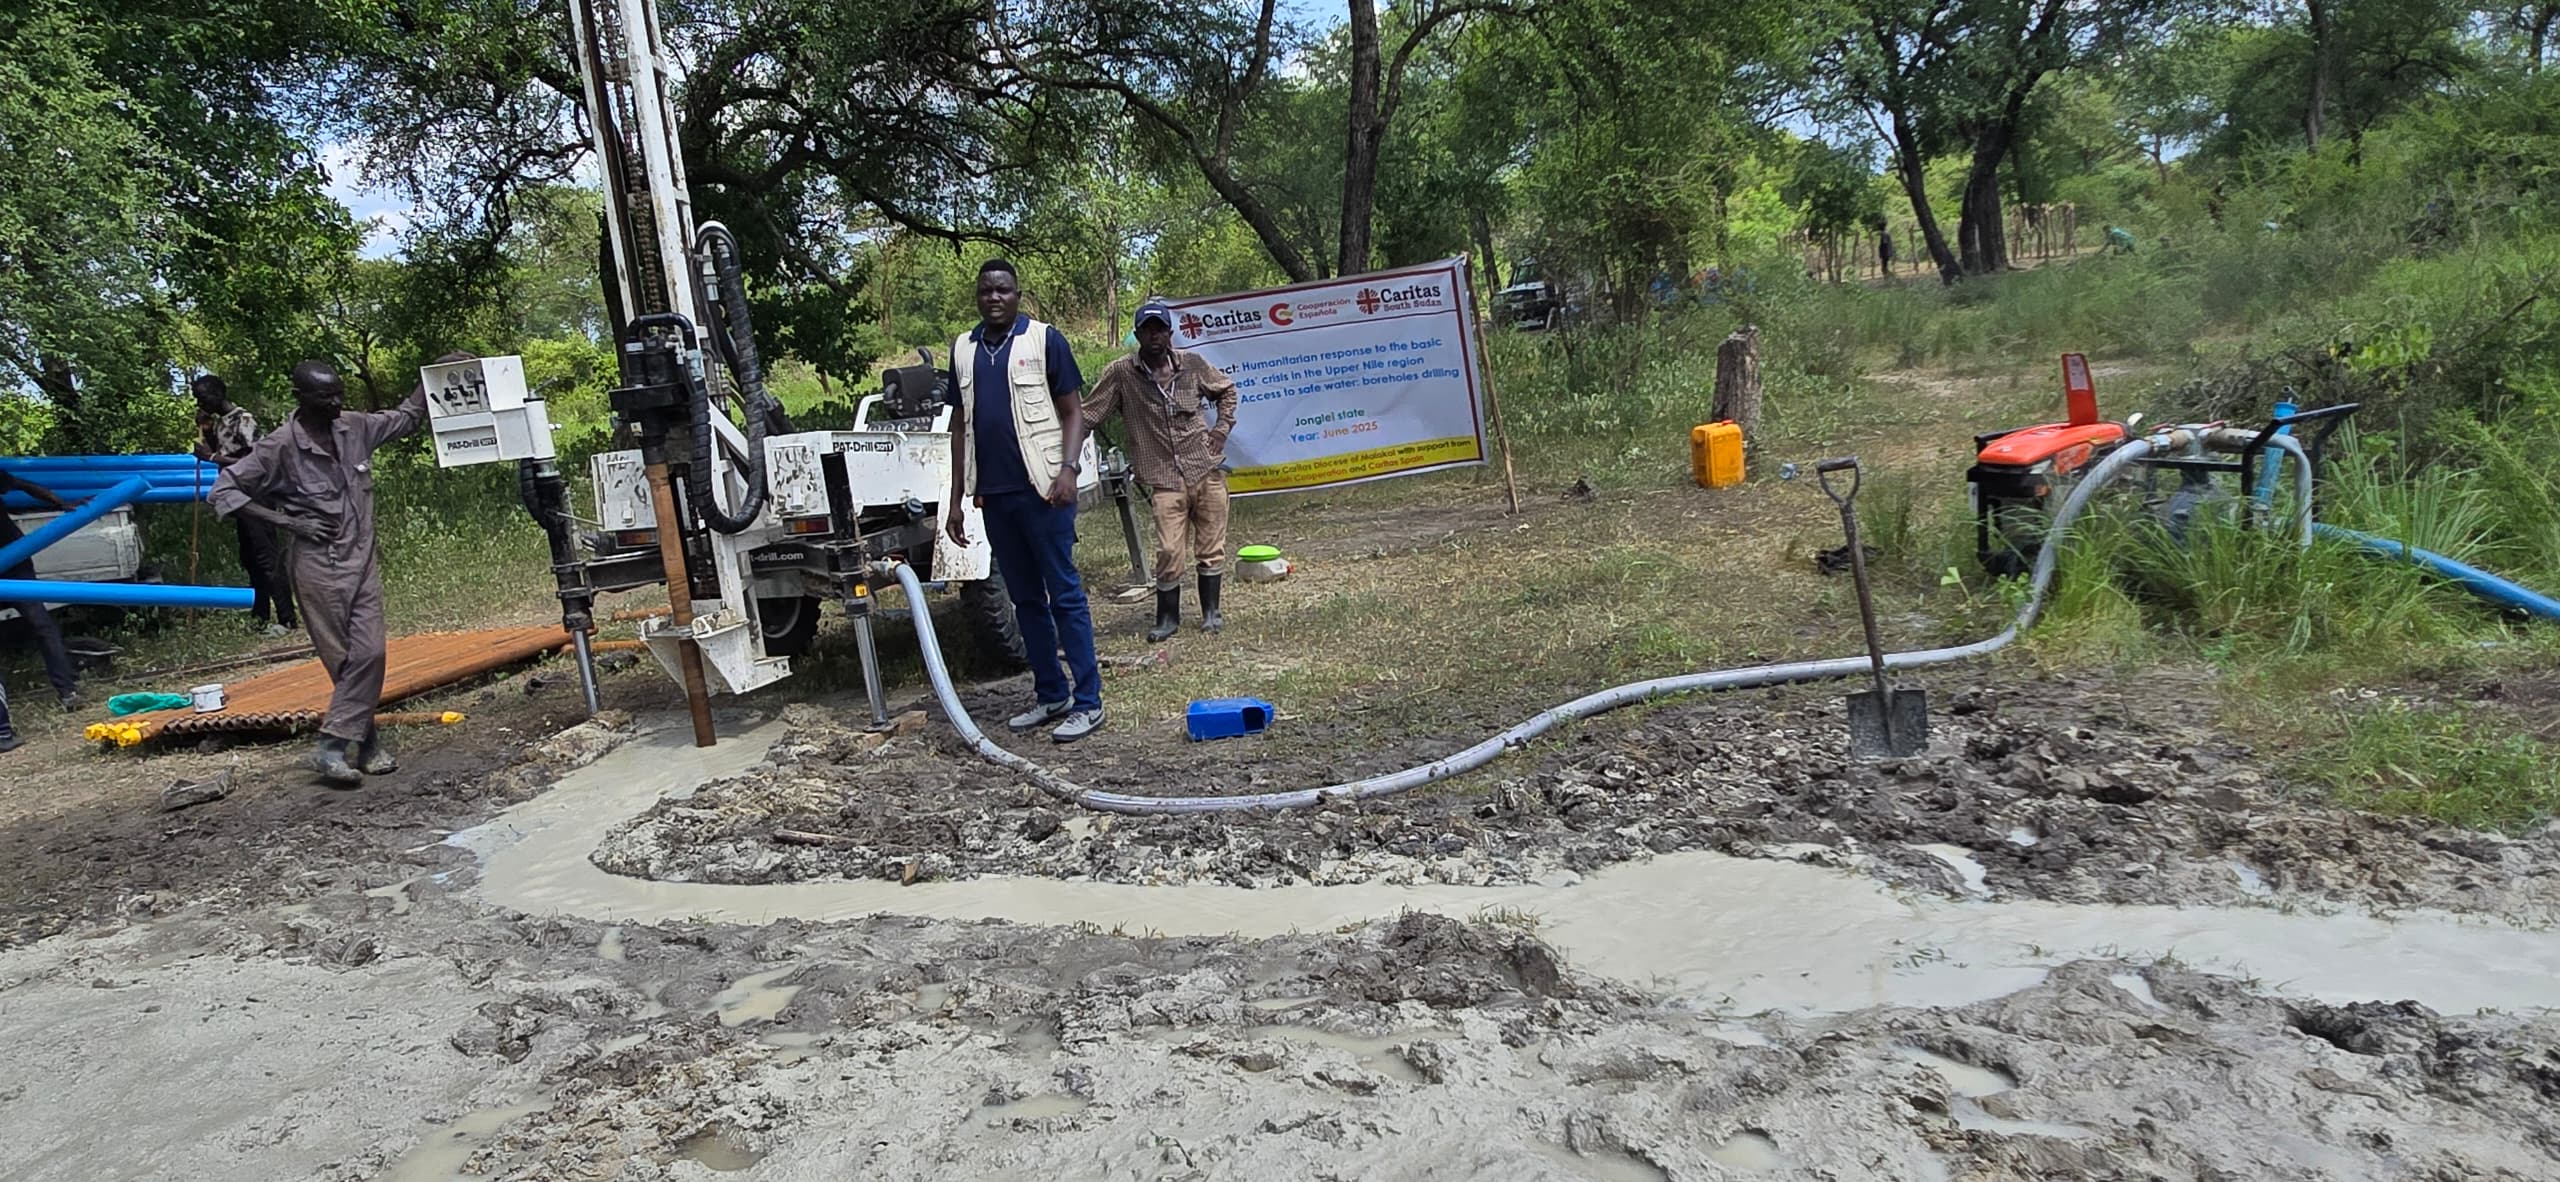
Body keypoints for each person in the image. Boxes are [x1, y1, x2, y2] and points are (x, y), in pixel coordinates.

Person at [211, 355, 469, 785]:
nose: (335, 404)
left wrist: (433, 374)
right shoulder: (279, 446)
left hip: (362, 560)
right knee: (344, 659)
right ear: (300, 397)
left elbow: (406, 417)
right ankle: (364, 745)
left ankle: (331, 745)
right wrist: (289, 522)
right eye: (325, 397)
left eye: (339, 395)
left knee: (371, 653)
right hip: (318, 566)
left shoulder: (355, 427)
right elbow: (224, 490)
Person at [943, 259, 1105, 743]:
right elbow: (959, 427)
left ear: (1017, 295)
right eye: (986, 291)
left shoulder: (1044, 340)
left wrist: (1068, 470)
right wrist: (954, 500)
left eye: (1003, 290)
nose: (994, 298)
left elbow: (1074, 412)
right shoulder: (964, 349)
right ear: (977, 296)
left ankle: (1089, 702)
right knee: (1025, 600)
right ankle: (1051, 694)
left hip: (1045, 492)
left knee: (1065, 596)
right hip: (995, 497)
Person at [1082, 298, 1240, 642]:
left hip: (1205, 468)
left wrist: (1221, 429)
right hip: (1164, 479)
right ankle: (1167, 618)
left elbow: (1227, 390)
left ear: (1170, 333)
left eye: (1160, 329)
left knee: (1211, 545)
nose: (1154, 336)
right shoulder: (1121, 373)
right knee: (1169, 550)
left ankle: (1211, 613)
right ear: (1137, 334)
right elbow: (1088, 415)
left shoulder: (1192, 365)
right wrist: (1061, 451)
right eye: (1147, 330)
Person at [192, 374, 298, 636]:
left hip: (255, 494)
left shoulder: (243, 419)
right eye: (197, 398)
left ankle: (287, 619)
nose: (200, 403)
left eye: (203, 397)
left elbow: (257, 460)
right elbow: (223, 453)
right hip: (236, 496)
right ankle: (260, 616)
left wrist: (211, 457)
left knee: (267, 557)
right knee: (250, 559)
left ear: (218, 393)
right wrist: (207, 432)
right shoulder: (221, 423)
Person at [0, 469, 86, 711]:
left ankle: (67, 692)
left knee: (41, 625)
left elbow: (23, 484)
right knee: (42, 626)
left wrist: (60, 503)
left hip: (14, 565)